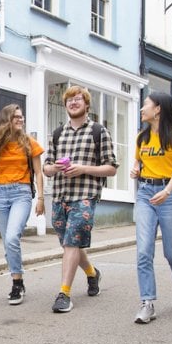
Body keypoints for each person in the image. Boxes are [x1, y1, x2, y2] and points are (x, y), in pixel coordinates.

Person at [43, 86, 118, 314]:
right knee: (69, 243)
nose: (73, 103)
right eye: (69, 100)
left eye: (78, 99)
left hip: (85, 196)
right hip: (60, 196)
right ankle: (92, 273)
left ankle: (64, 293)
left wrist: (82, 169)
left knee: (71, 243)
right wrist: (54, 168)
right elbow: (46, 168)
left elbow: (112, 168)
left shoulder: (98, 131)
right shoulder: (57, 133)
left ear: (86, 105)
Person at [129, 92, 172, 324]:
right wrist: (136, 168)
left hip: (170, 195)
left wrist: (167, 191)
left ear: (158, 109)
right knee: (143, 251)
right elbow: (138, 160)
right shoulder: (142, 137)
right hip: (146, 192)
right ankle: (147, 303)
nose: (141, 109)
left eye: (145, 105)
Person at [0, 104, 44, 305]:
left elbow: (39, 173)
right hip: (0, 194)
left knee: (11, 238)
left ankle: (17, 283)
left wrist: (41, 198)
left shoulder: (29, 143)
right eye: (16, 116)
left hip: (22, 193)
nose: (21, 119)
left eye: (22, 116)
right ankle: (17, 280)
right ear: (7, 119)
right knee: (7, 242)